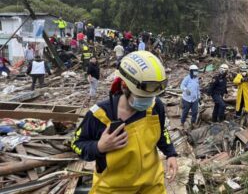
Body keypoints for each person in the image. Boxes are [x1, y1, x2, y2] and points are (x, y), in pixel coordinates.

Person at [71, 51, 178, 193]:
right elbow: (76, 144)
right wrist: (99, 147)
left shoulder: (155, 106)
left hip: (151, 185)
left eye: (152, 96)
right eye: (142, 96)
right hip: (113, 189)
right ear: (124, 86)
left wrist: (170, 153)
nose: (149, 101)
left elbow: (161, 131)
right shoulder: (99, 115)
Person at [180, 65, 200, 130]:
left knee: (195, 112)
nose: (196, 73)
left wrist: (199, 96)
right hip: (187, 99)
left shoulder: (196, 78)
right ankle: (182, 123)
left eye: (196, 71)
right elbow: (182, 86)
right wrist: (186, 89)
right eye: (195, 71)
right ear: (191, 71)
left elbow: (197, 88)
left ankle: (193, 123)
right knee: (185, 112)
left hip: (194, 99)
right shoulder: (187, 78)